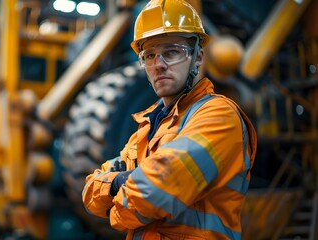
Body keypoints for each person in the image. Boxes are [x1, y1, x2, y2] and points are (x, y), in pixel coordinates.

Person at [82, 0, 257, 239]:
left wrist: (115, 196)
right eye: (150, 55)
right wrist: (125, 183)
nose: (159, 65)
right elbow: (90, 190)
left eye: (172, 52)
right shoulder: (147, 129)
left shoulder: (219, 117)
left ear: (198, 57)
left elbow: (156, 191)